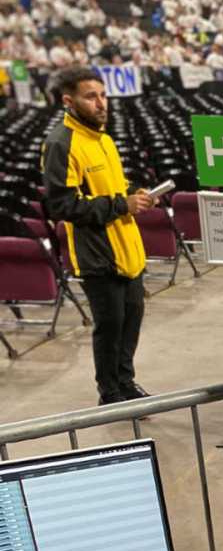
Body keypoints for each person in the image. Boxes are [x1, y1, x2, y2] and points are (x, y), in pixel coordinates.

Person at [42, 65, 153, 406]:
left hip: (127, 250)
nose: (101, 103)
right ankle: (110, 394)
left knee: (131, 320)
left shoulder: (103, 139)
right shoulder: (61, 143)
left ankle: (126, 383)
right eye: (91, 97)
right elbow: (62, 205)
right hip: (96, 255)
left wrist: (135, 191)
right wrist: (122, 204)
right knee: (110, 327)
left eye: (103, 95)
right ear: (69, 101)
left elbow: (114, 186)